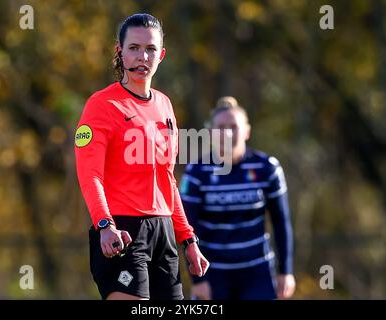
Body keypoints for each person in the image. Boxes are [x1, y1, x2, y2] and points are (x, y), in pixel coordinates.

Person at [74, 13, 209, 300]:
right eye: (134, 48)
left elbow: (168, 181)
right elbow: (90, 175)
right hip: (122, 230)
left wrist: (188, 239)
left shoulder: (164, 104)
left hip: (163, 232)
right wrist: (104, 224)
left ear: (161, 55)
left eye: (150, 49)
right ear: (119, 51)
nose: (142, 57)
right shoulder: (101, 105)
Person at [180, 96, 296, 300]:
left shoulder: (267, 168)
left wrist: (286, 271)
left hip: (257, 271)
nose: (226, 133)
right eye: (221, 127)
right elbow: (187, 230)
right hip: (212, 272)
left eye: (233, 126)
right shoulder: (196, 172)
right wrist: (198, 280)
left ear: (247, 131)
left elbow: (281, 222)